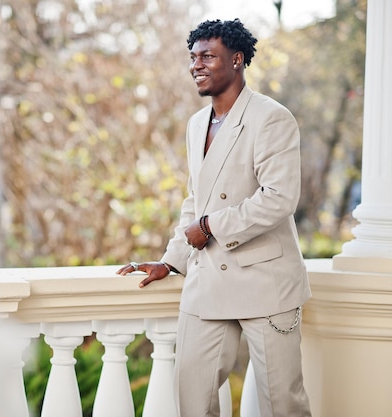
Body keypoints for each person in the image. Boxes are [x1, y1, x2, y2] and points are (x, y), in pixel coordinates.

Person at [117, 19, 312, 417]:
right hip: (207, 281)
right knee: (193, 400)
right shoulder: (195, 125)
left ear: (237, 60)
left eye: (208, 56)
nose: (196, 65)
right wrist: (172, 260)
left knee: (283, 405)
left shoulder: (272, 118)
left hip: (266, 284)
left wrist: (210, 227)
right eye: (193, 57)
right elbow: (196, 199)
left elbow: (279, 198)